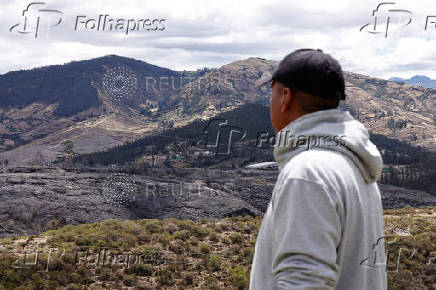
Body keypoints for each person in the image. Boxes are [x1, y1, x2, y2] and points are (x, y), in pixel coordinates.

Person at [250, 48, 387, 290]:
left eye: (271, 93)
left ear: (285, 97)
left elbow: (303, 282)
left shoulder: (308, 172)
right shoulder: (357, 167)